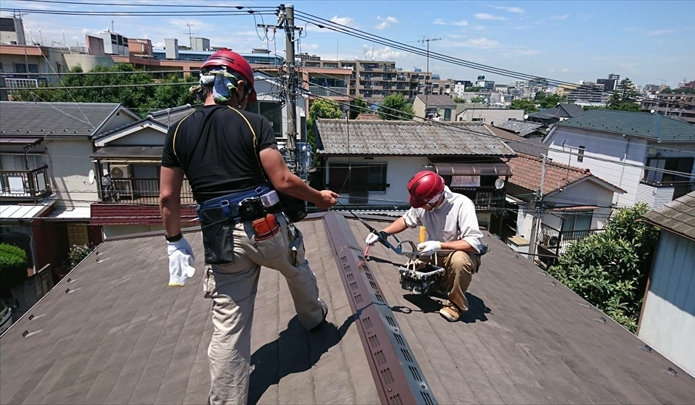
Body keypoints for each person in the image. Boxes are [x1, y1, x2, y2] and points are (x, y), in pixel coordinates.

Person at [158, 48, 338, 405]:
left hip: (220, 239)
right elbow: (284, 180)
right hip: (264, 227)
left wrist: (174, 240)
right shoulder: (253, 124)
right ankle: (315, 319)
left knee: (229, 325)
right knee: (295, 267)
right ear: (238, 87)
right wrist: (318, 198)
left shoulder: (176, 132)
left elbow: (166, 197)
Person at [365, 170, 487, 322]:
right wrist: (382, 233)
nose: (420, 207)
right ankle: (441, 284)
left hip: (458, 253)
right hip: (434, 254)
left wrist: (439, 245)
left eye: (422, 204)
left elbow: (473, 242)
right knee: (408, 276)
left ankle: (456, 305)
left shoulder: (462, 204)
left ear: (434, 198)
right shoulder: (424, 204)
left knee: (459, 261)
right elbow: (405, 220)